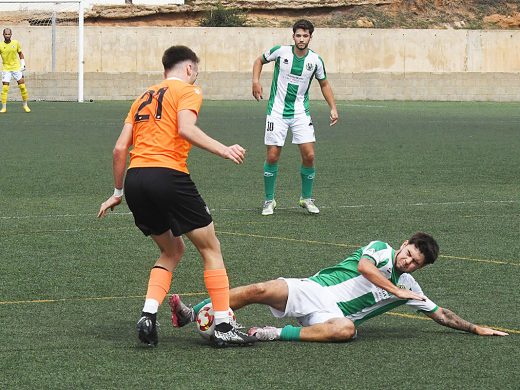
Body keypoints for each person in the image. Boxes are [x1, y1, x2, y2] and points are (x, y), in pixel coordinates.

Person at [97, 45, 256, 348]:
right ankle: (223, 324)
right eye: (196, 72)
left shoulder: (141, 98)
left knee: (172, 251)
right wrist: (224, 149)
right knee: (211, 249)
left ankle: (148, 314)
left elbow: (120, 149)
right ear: (188, 69)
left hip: (135, 180)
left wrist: (117, 192)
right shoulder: (188, 90)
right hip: (167, 176)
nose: (196, 77)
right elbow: (185, 128)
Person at [169, 232, 508, 342]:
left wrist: (476, 328)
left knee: (347, 330)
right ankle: (193, 313)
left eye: (415, 262)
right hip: (315, 289)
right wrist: (396, 291)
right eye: (408, 254)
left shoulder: (409, 285)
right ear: (403, 244)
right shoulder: (380, 250)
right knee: (258, 289)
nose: (407, 262)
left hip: (328, 316)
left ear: (421, 266)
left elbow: (441, 314)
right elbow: (365, 267)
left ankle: (272, 333)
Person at [252, 19, 339, 216]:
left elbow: (324, 84)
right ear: (293, 36)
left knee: (309, 155)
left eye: (305, 36)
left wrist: (333, 107)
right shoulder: (280, 51)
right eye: (298, 35)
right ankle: (269, 200)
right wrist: (255, 81)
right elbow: (259, 61)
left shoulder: (315, 60)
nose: (301, 39)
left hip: (301, 112)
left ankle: (306, 199)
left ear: (310, 37)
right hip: (277, 111)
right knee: (273, 156)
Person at [0, 28, 30, 113]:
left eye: (9, 34)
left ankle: (25, 105)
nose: (7, 36)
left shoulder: (15, 43)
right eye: (6, 34)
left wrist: (23, 64)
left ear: (11, 35)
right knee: (5, 88)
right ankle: (4, 107)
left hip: (16, 68)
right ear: (3, 35)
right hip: (6, 69)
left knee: (22, 87)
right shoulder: (1, 45)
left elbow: (20, 54)